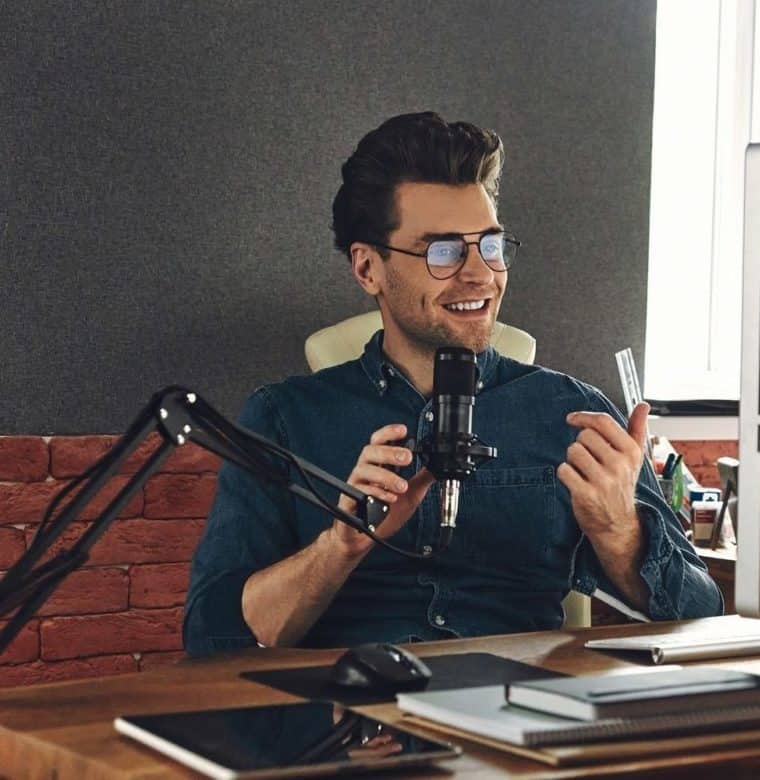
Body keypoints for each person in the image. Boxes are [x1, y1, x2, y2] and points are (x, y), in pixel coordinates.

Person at [182, 112, 723, 655]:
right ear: (368, 268)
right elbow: (214, 638)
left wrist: (621, 534)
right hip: (350, 722)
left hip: (517, 719)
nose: (480, 274)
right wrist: (342, 544)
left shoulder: (572, 414)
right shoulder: (283, 420)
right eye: (443, 251)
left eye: (489, 245)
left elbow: (704, 620)